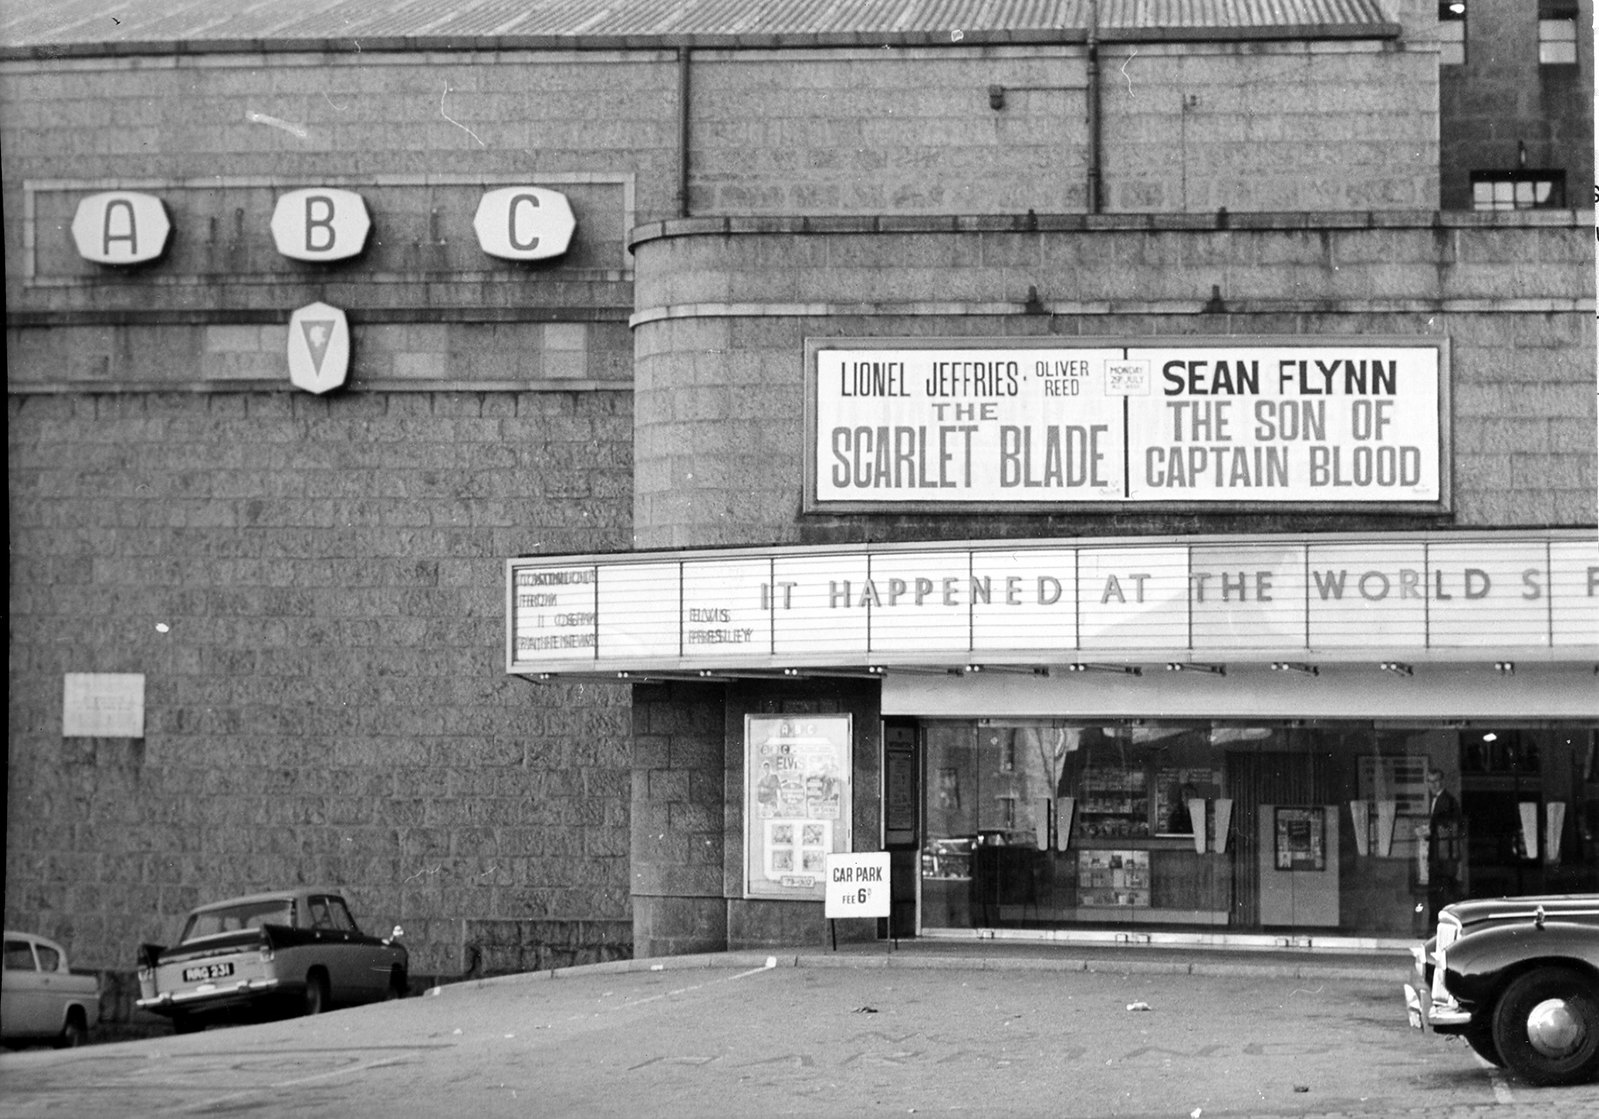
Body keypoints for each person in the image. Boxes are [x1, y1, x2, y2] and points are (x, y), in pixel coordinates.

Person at [1420, 767, 1464, 924]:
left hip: (1443, 857)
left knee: (1441, 894)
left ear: (1442, 781)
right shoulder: (1439, 800)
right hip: (1441, 855)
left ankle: (1437, 925)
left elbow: (1454, 827)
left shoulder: (1447, 801)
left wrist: (1431, 832)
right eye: (1430, 781)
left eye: (1436, 781)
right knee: (1439, 893)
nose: (1433, 785)